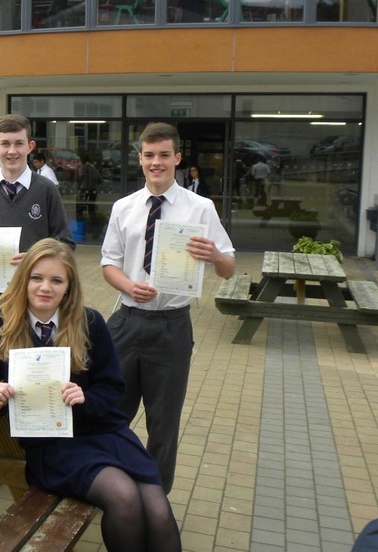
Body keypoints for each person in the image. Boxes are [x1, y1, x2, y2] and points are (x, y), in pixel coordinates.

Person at [0, 238, 182, 551]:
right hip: (52, 445)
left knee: (158, 508)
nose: (45, 288)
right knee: (123, 497)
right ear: (23, 279)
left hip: (103, 432)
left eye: (56, 280)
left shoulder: (89, 322)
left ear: (69, 286)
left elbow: (112, 388)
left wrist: (86, 398)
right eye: (36, 278)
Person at [100, 122, 235, 494]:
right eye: (148, 155)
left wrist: (215, 255)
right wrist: (128, 284)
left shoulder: (201, 208)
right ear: (140, 159)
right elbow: (108, 263)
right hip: (126, 322)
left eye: (163, 155)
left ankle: (155, 497)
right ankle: (114, 488)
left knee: (163, 422)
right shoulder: (123, 208)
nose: (155, 162)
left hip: (172, 326)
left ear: (177, 158)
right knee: (114, 413)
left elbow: (229, 269)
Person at [0, 113, 74, 495]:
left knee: (35, 381)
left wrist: (33, 260)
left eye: (18, 143)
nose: (11, 150)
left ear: (30, 147)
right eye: (4, 144)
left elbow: (66, 246)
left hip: (35, 309)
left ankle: (42, 463)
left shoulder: (45, 191)